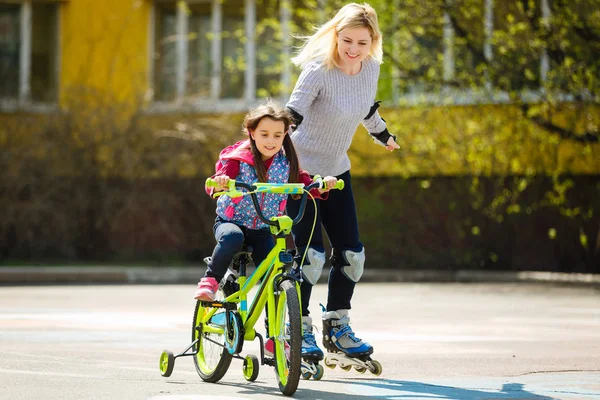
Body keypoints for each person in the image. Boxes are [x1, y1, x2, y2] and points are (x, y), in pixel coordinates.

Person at [284, 2, 400, 361]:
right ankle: (298, 327)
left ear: (373, 42)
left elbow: (365, 108)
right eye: (346, 40)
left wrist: (383, 135)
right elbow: (293, 114)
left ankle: (337, 326)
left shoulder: (371, 69)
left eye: (362, 43)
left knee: (353, 255)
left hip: (336, 173)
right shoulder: (318, 70)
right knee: (310, 257)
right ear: (335, 36)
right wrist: (266, 151)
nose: (353, 49)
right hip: (301, 173)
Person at [193, 99, 338, 357]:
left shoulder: (285, 163)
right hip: (231, 220)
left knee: (274, 274)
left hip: (263, 227)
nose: (271, 141)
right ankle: (211, 280)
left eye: (277, 135)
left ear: (285, 136)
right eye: (264, 134)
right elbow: (215, 182)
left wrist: (320, 183)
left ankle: (274, 336)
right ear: (252, 133)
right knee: (232, 238)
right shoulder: (237, 158)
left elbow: (303, 181)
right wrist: (222, 182)